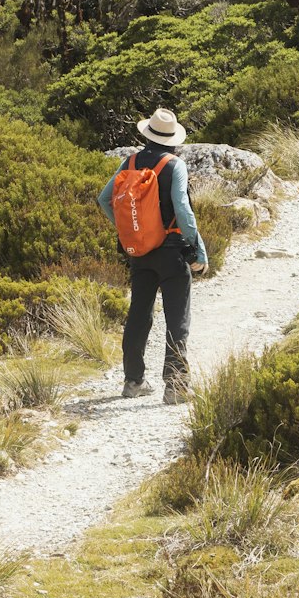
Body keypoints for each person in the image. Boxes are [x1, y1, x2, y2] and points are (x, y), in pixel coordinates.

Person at [98, 107, 208, 404]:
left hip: (140, 252)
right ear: (173, 139)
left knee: (138, 314)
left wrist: (129, 232)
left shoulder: (130, 161)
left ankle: (132, 382)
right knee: (177, 318)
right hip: (171, 253)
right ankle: (176, 386)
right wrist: (199, 249)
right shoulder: (174, 164)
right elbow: (183, 210)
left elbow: (104, 199)